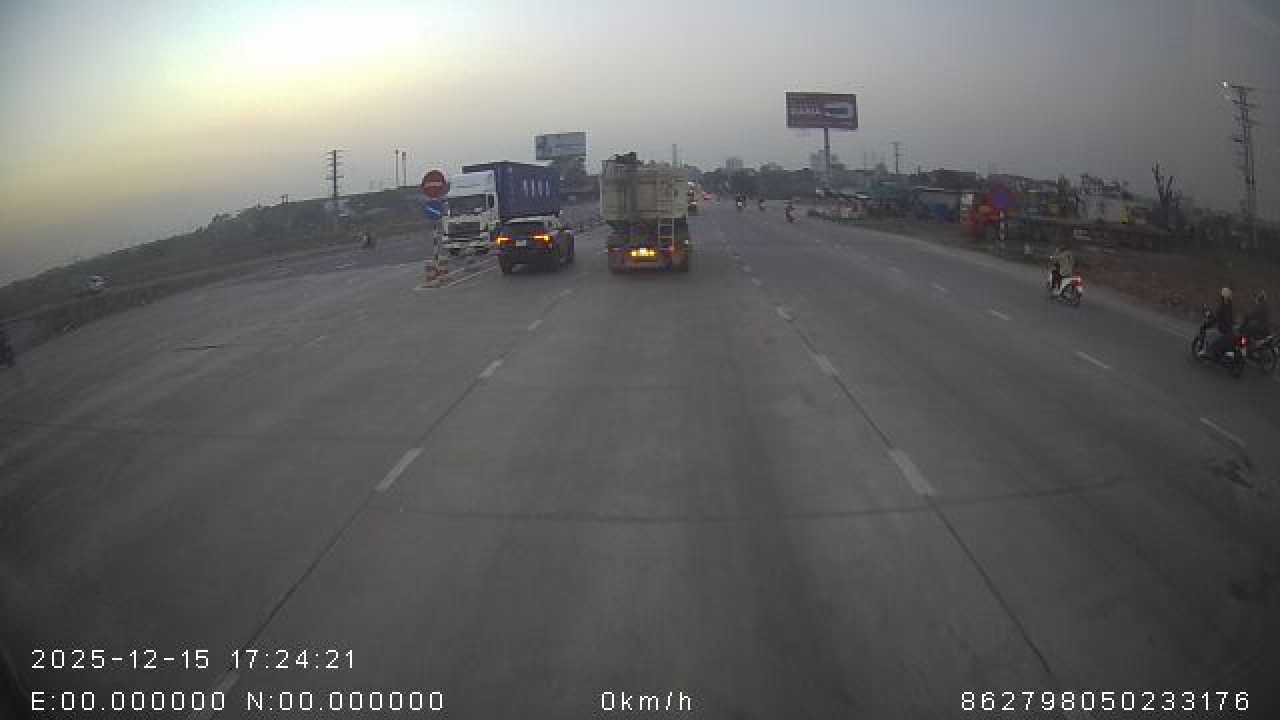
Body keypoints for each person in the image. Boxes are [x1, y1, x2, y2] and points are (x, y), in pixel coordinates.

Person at [1201, 287, 1235, 359]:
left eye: (1221, 295)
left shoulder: (1223, 306)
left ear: (1223, 296)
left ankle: (1208, 352)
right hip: (1229, 327)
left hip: (1223, 328)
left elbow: (1216, 318)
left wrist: (1207, 324)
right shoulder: (1230, 305)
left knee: (1209, 334)